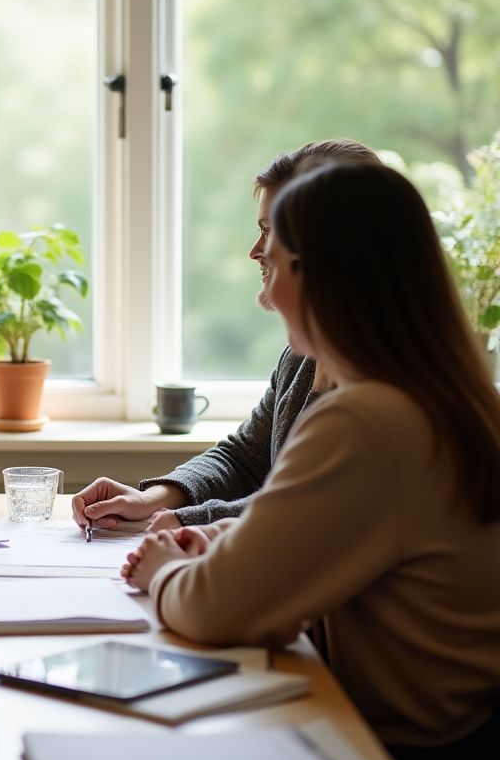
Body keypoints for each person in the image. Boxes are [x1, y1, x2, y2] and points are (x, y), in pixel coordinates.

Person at [122, 160, 500, 760]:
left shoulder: (368, 422)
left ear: (319, 275)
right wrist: (214, 535)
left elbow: (219, 610)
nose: (264, 283)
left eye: (274, 258)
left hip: (395, 749)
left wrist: (162, 569)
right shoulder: (434, 397)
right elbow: (320, 527)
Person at [72, 138, 379, 534]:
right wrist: (152, 498)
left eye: (272, 233)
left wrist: (183, 522)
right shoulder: (300, 358)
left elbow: (300, 506)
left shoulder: (378, 385)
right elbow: (244, 458)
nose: (257, 251)